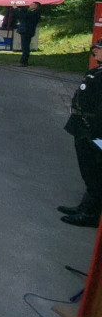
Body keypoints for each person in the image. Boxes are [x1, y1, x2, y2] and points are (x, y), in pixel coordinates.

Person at [58, 41, 102, 227]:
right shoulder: (98, 71)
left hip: (93, 131)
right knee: (88, 172)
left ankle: (90, 215)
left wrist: (94, 131)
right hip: (83, 127)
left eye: (99, 49)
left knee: (95, 174)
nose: (95, 51)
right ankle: (84, 207)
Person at [16, 2, 41, 67]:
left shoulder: (34, 13)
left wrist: (15, 9)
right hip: (28, 31)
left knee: (25, 47)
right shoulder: (33, 12)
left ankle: (24, 62)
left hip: (27, 31)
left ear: (36, 6)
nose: (30, 5)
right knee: (25, 46)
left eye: (32, 4)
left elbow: (23, 16)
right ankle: (23, 61)